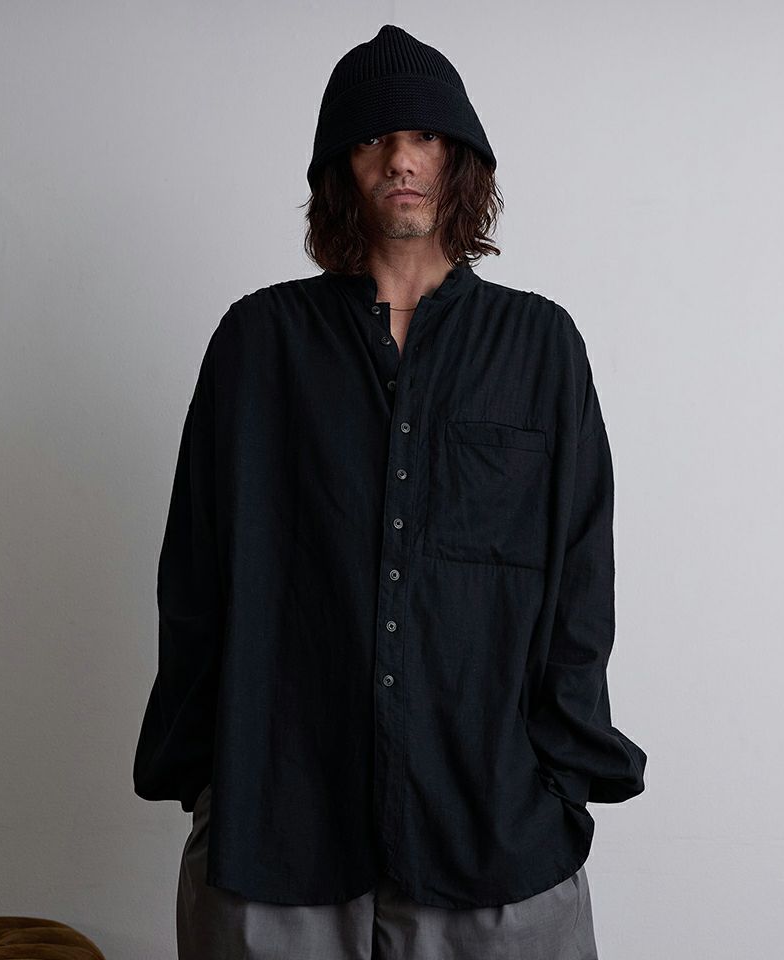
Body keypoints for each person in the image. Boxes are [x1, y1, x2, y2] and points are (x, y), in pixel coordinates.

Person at [133, 23, 648, 960]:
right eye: (373, 138)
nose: (401, 160)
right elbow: (195, 575)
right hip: (276, 831)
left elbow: (582, 579)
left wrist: (561, 783)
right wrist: (212, 784)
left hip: (494, 835)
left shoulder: (539, 348)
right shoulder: (258, 344)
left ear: (461, 161)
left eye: (425, 137)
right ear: (340, 166)